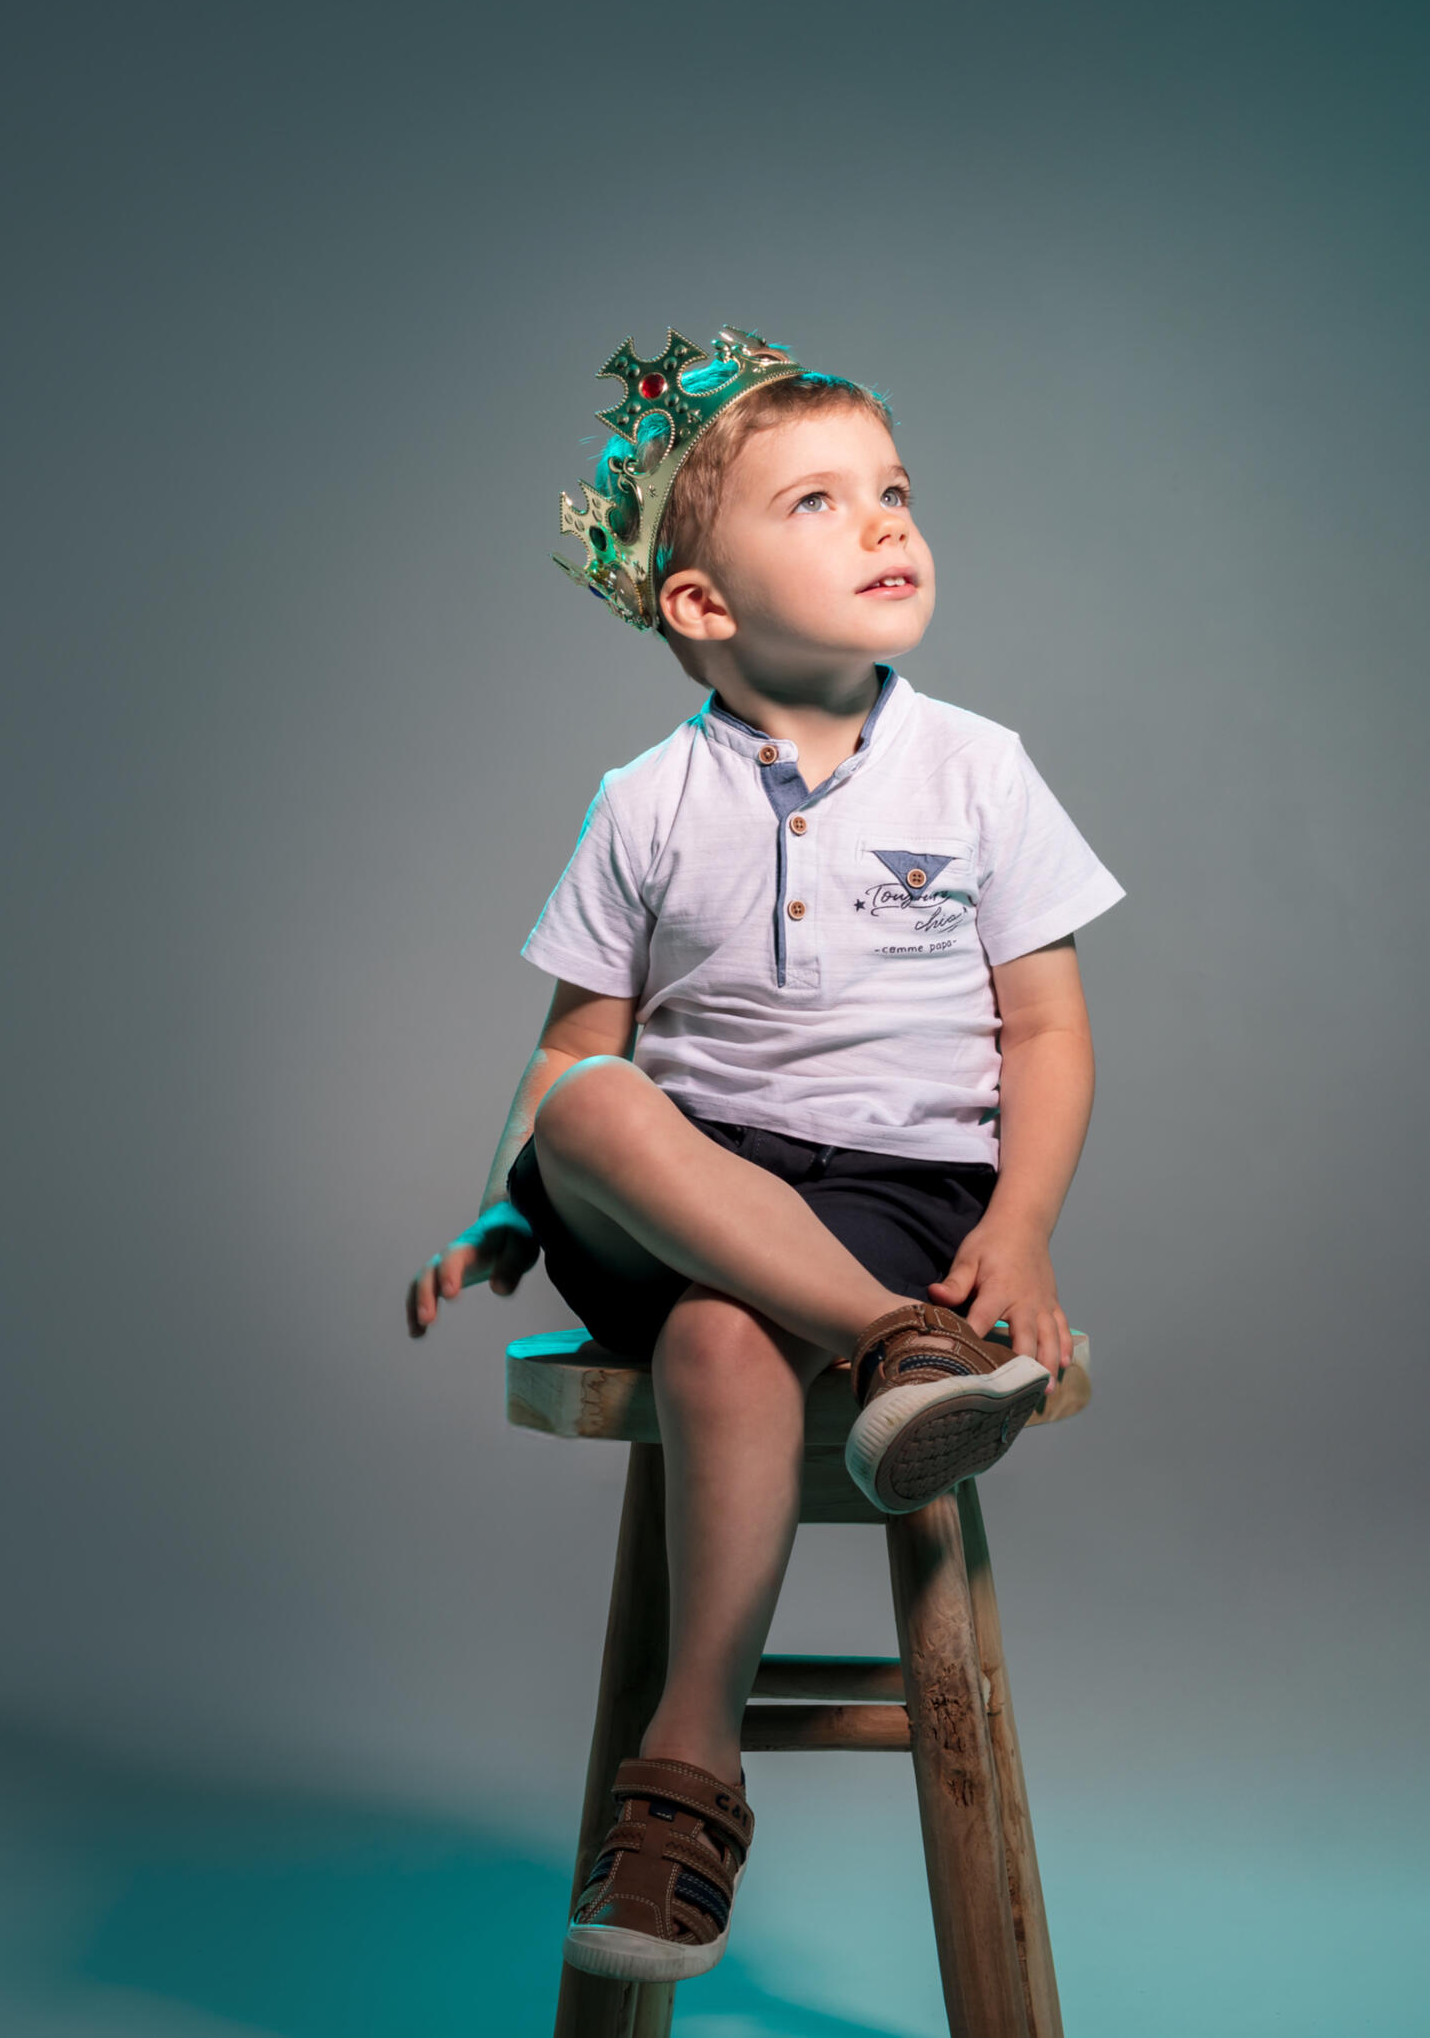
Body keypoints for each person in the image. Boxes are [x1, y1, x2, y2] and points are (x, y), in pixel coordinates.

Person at [405, 327, 1123, 1985]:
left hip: (892, 1194)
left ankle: (684, 1784)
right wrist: (504, 1218)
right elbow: (575, 1050)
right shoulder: (645, 802)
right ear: (703, 604)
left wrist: (1020, 1229)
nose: (885, 523)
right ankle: (899, 1353)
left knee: (726, 1343)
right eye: (819, 502)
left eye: (895, 491)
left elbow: (1046, 1033)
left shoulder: (978, 769)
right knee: (588, 1103)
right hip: (684, 1192)